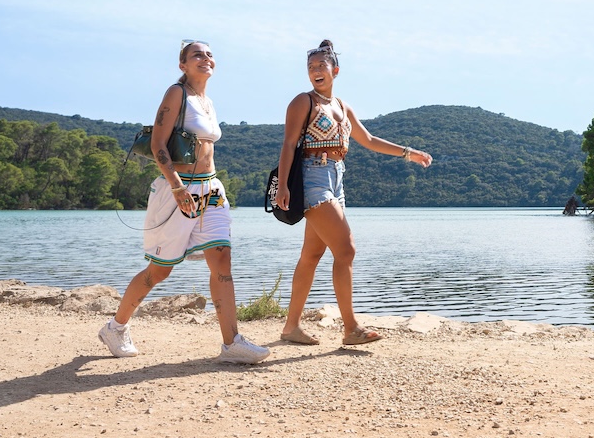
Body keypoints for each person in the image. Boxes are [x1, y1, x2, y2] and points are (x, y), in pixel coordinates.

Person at [98, 40, 269, 364]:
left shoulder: (208, 101)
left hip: (211, 188)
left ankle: (232, 343)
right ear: (183, 65)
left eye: (209, 54)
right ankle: (115, 327)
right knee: (159, 271)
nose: (205, 58)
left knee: (222, 259)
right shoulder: (177, 94)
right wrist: (177, 188)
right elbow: (159, 144)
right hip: (177, 190)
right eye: (196, 55)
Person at [274, 40, 433, 346]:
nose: (315, 71)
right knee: (346, 250)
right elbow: (288, 144)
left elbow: (369, 139)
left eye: (321, 66)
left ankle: (290, 327)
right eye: (310, 67)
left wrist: (408, 153)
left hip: (336, 179)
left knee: (311, 255)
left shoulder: (342, 107)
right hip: (312, 177)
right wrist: (282, 185)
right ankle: (351, 329)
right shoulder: (302, 102)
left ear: (335, 70)